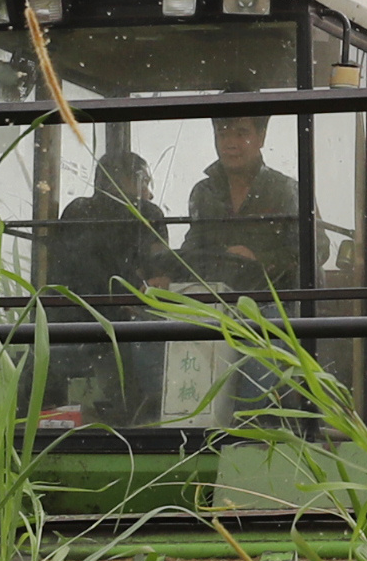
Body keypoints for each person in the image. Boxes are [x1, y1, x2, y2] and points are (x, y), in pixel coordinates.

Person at [43, 148, 172, 423]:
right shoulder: (146, 213)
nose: (148, 192)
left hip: (62, 326)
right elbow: (159, 274)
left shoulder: (74, 211)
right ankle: (144, 421)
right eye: (144, 182)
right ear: (125, 180)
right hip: (118, 328)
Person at [182, 113, 302, 296]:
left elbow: (317, 247)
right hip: (214, 305)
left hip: (275, 304)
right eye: (222, 134)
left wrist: (258, 259)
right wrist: (169, 275)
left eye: (241, 133)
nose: (230, 144)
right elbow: (193, 248)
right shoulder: (203, 192)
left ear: (261, 137)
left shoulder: (287, 190)